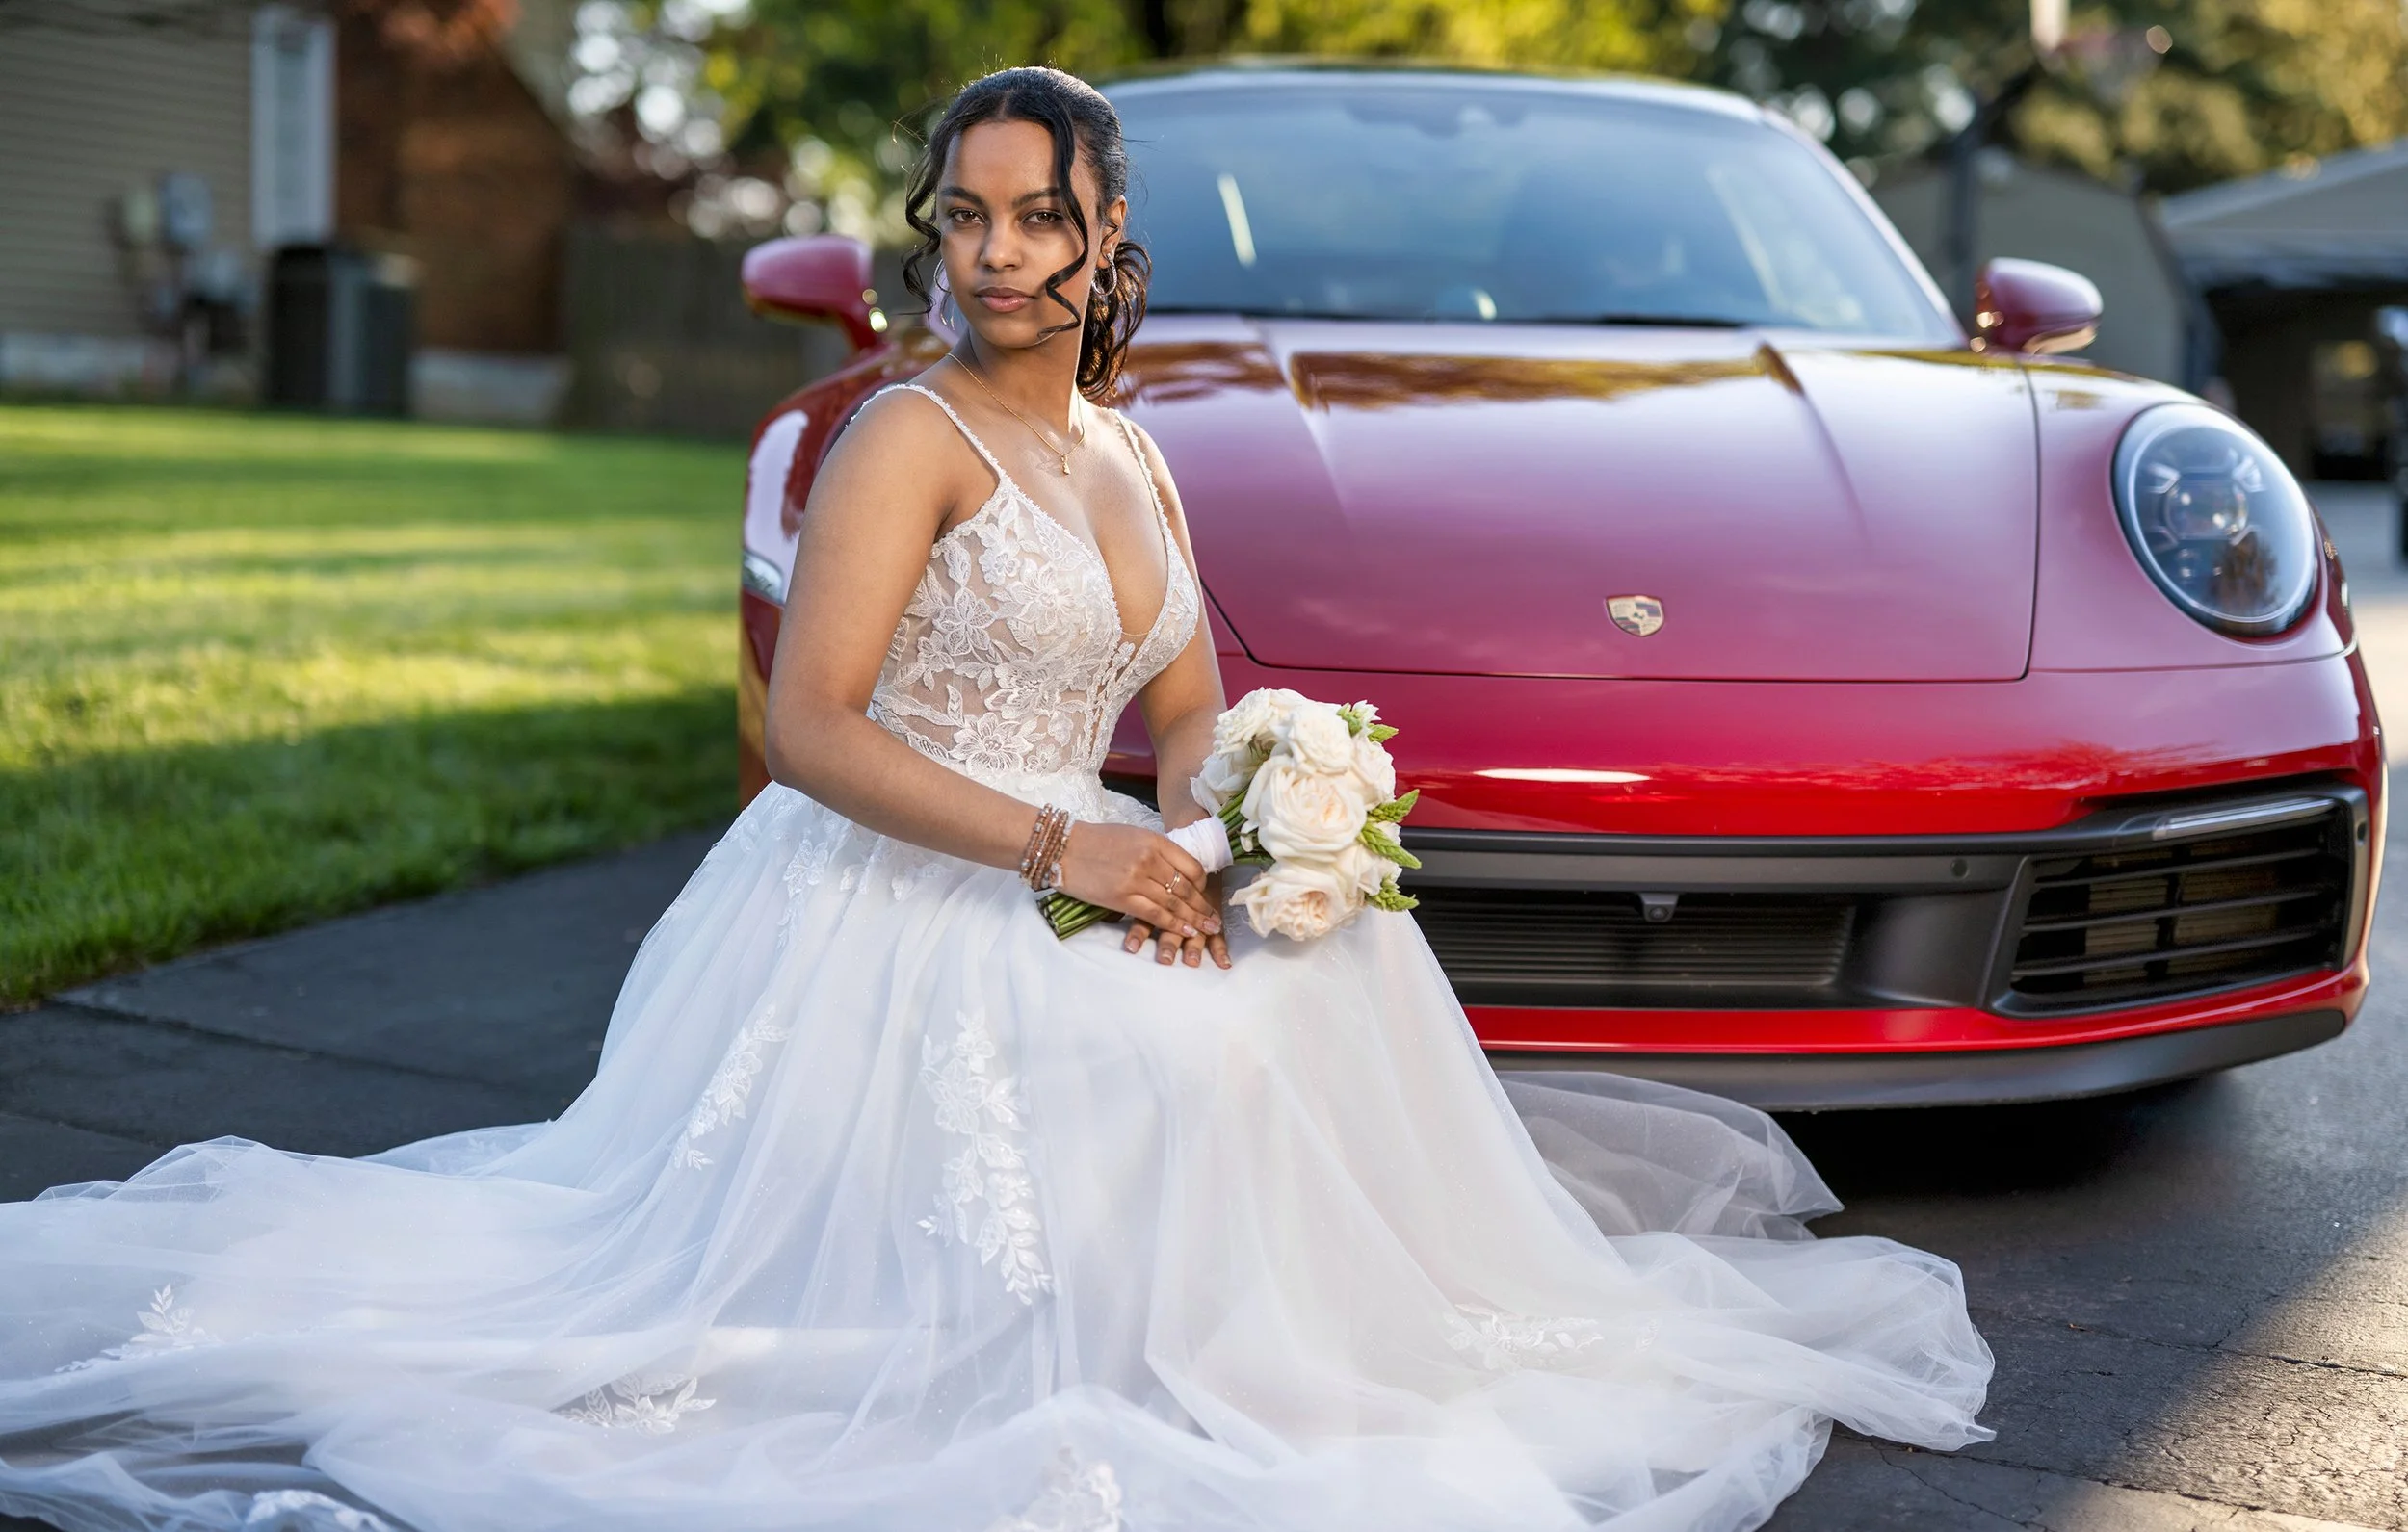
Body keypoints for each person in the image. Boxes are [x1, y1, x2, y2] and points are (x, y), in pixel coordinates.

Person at [0, 66, 1991, 1532]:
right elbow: (808, 727)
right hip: (891, 885)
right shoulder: (904, 437)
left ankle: (1296, 1346)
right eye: (965, 214)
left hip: (1082, 854)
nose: (999, 253)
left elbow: (1191, 695)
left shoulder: (1135, 457)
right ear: (933, 234)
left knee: (1329, 970)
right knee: (1160, 1078)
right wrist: (1079, 847)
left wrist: (1258, 818)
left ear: (1107, 241)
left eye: (1040, 217)